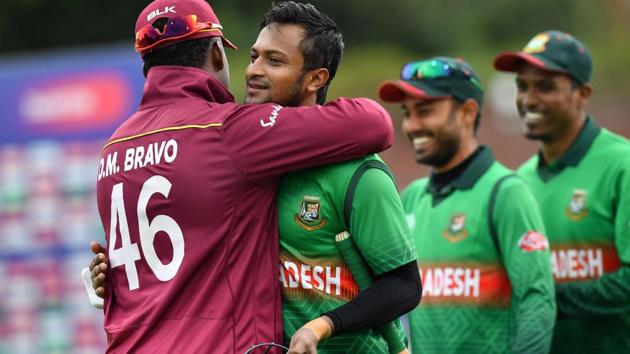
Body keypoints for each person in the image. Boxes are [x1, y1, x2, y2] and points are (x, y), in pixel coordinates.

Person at [92, 0, 395, 352]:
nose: (252, 71)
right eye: (252, 57)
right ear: (218, 54)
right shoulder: (229, 130)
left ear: (147, 66)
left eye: (272, 59)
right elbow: (374, 123)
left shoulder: (112, 148)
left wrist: (103, 273)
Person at [378, 57, 556, 353]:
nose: (411, 126)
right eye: (407, 113)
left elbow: (538, 302)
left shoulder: (506, 192)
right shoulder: (411, 197)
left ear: (467, 112)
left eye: (424, 111)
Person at [494, 30, 630, 353]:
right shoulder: (517, 182)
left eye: (545, 87)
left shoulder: (622, 164)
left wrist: (545, 298)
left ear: (583, 93)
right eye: (522, 86)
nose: (528, 100)